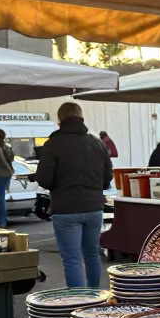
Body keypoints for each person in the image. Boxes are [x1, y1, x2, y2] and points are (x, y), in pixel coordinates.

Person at [35, 102, 112, 288]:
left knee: (72, 259)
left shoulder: (52, 144)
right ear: (81, 117)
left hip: (66, 208)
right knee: (92, 254)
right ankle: (95, 297)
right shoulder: (97, 143)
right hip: (93, 207)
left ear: (60, 120)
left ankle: (78, 302)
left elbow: (44, 179)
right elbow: (107, 177)